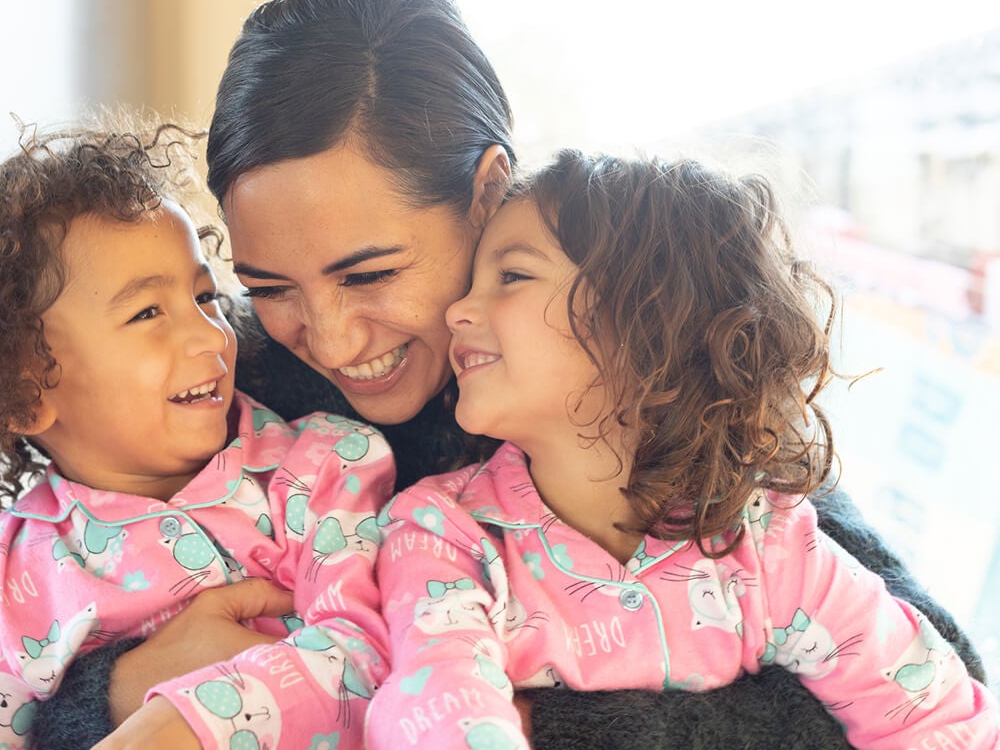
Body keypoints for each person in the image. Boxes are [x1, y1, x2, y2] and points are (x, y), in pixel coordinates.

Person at [0, 0, 985, 750]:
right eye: (272, 286)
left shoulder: (651, 374)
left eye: (371, 271)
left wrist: (529, 701)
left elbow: (934, 678)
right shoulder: (211, 376)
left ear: (487, 189)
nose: (331, 338)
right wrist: (116, 690)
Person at [368, 149, 1000, 749]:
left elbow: (934, 718)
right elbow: (441, 702)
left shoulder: (773, 544)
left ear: (648, 322)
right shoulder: (441, 535)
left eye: (511, 275)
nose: (458, 311)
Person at [0, 123, 396, 749]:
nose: (209, 335)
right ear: (21, 389)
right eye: (147, 313)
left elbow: (370, 660)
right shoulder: (4, 580)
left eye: (204, 296)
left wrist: (176, 725)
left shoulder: (328, 466)